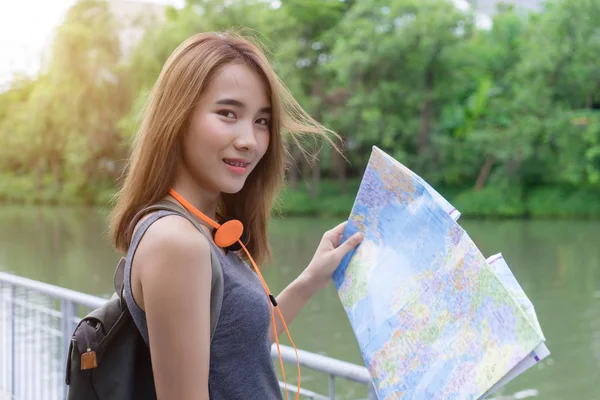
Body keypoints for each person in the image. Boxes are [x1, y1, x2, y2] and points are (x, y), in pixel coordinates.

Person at [108, 31, 364, 400]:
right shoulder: (177, 242)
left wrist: (311, 278)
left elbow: (236, 345)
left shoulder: (201, 228)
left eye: (262, 121)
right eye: (228, 113)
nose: (251, 140)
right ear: (177, 117)